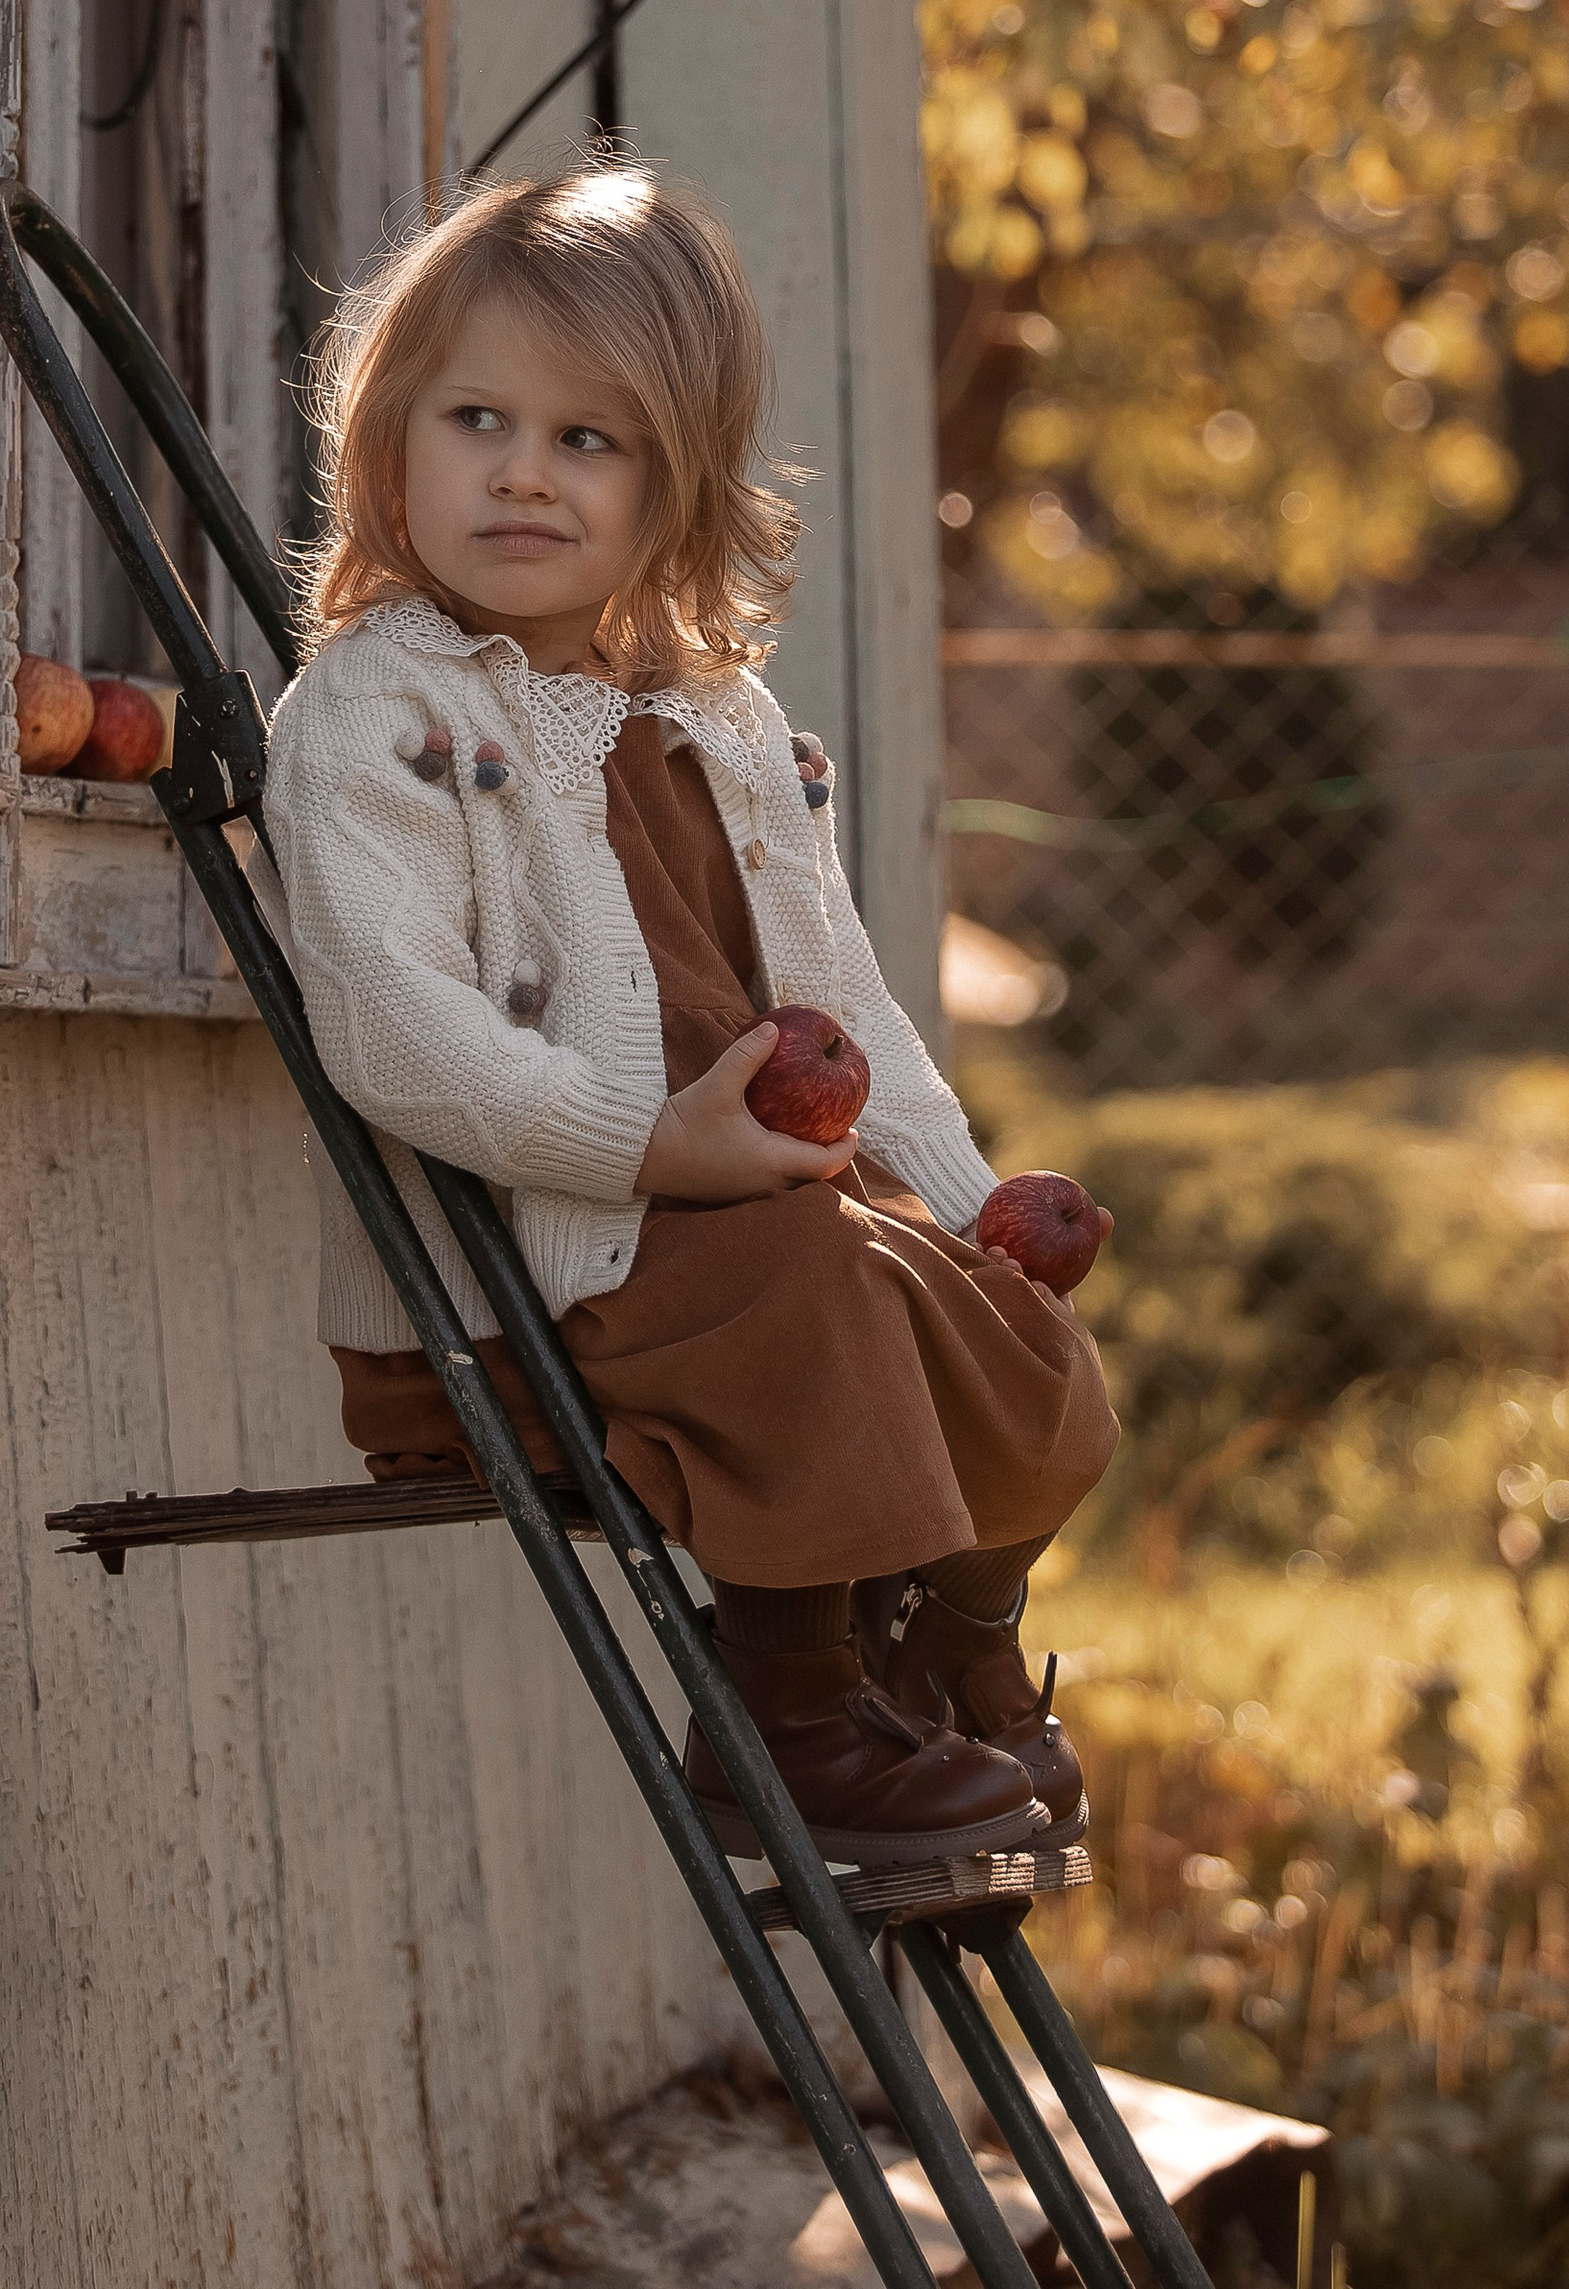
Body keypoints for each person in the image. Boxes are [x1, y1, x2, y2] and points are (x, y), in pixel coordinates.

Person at [261, 162, 1118, 1867]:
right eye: (478, 419)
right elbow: (394, 1025)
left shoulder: (721, 722)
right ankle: (787, 1721)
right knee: (813, 1281)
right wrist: (651, 1147)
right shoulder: (377, 714)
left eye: (590, 439)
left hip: (744, 1247)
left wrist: (961, 1206)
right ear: (390, 450)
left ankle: (946, 1653)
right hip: (528, 1293)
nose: (520, 469)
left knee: (997, 1323)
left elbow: (844, 1001)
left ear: (680, 485)